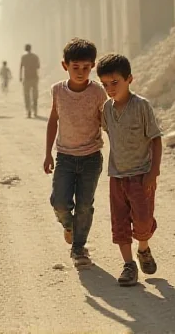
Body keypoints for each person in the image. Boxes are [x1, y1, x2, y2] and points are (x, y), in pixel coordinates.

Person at [96, 53, 163, 287]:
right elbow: (108, 132)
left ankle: (143, 248)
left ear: (129, 79)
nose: (110, 89)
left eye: (115, 82)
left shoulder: (142, 106)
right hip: (116, 176)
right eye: (105, 85)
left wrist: (153, 172)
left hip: (141, 175)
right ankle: (129, 265)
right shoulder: (106, 108)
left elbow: (155, 139)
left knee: (143, 221)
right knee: (120, 223)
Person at [43, 38, 107, 268]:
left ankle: (79, 248)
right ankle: (69, 225)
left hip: (91, 157)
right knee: (59, 202)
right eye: (75, 67)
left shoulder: (98, 92)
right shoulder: (58, 91)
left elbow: (105, 121)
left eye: (86, 68)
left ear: (92, 67)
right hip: (65, 157)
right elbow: (53, 120)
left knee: (84, 205)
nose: (81, 72)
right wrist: (48, 153)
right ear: (65, 66)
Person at [20, 43, 41, 118]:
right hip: (34, 77)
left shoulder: (23, 57)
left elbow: (21, 67)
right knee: (35, 95)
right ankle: (35, 111)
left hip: (26, 77)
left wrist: (20, 77)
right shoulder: (35, 56)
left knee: (27, 95)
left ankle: (28, 111)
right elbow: (38, 66)